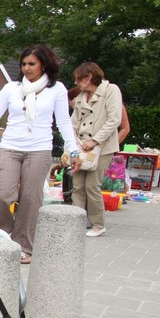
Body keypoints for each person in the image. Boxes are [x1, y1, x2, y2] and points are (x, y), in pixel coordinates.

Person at [0, 45, 81, 263]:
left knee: (31, 199)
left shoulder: (57, 89)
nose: (26, 68)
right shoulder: (11, 88)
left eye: (32, 64)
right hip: (10, 147)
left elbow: (63, 122)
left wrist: (74, 150)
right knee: (2, 195)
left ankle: (23, 245)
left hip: (39, 150)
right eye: (23, 64)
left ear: (44, 65)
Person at [70, 62, 123, 238]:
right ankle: (77, 222)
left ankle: (98, 225)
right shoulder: (81, 97)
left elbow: (114, 119)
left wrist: (95, 140)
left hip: (102, 147)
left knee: (92, 186)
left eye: (79, 79)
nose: (76, 83)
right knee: (77, 186)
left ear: (89, 77)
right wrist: (73, 145)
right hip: (82, 147)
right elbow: (73, 122)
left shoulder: (110, 90)